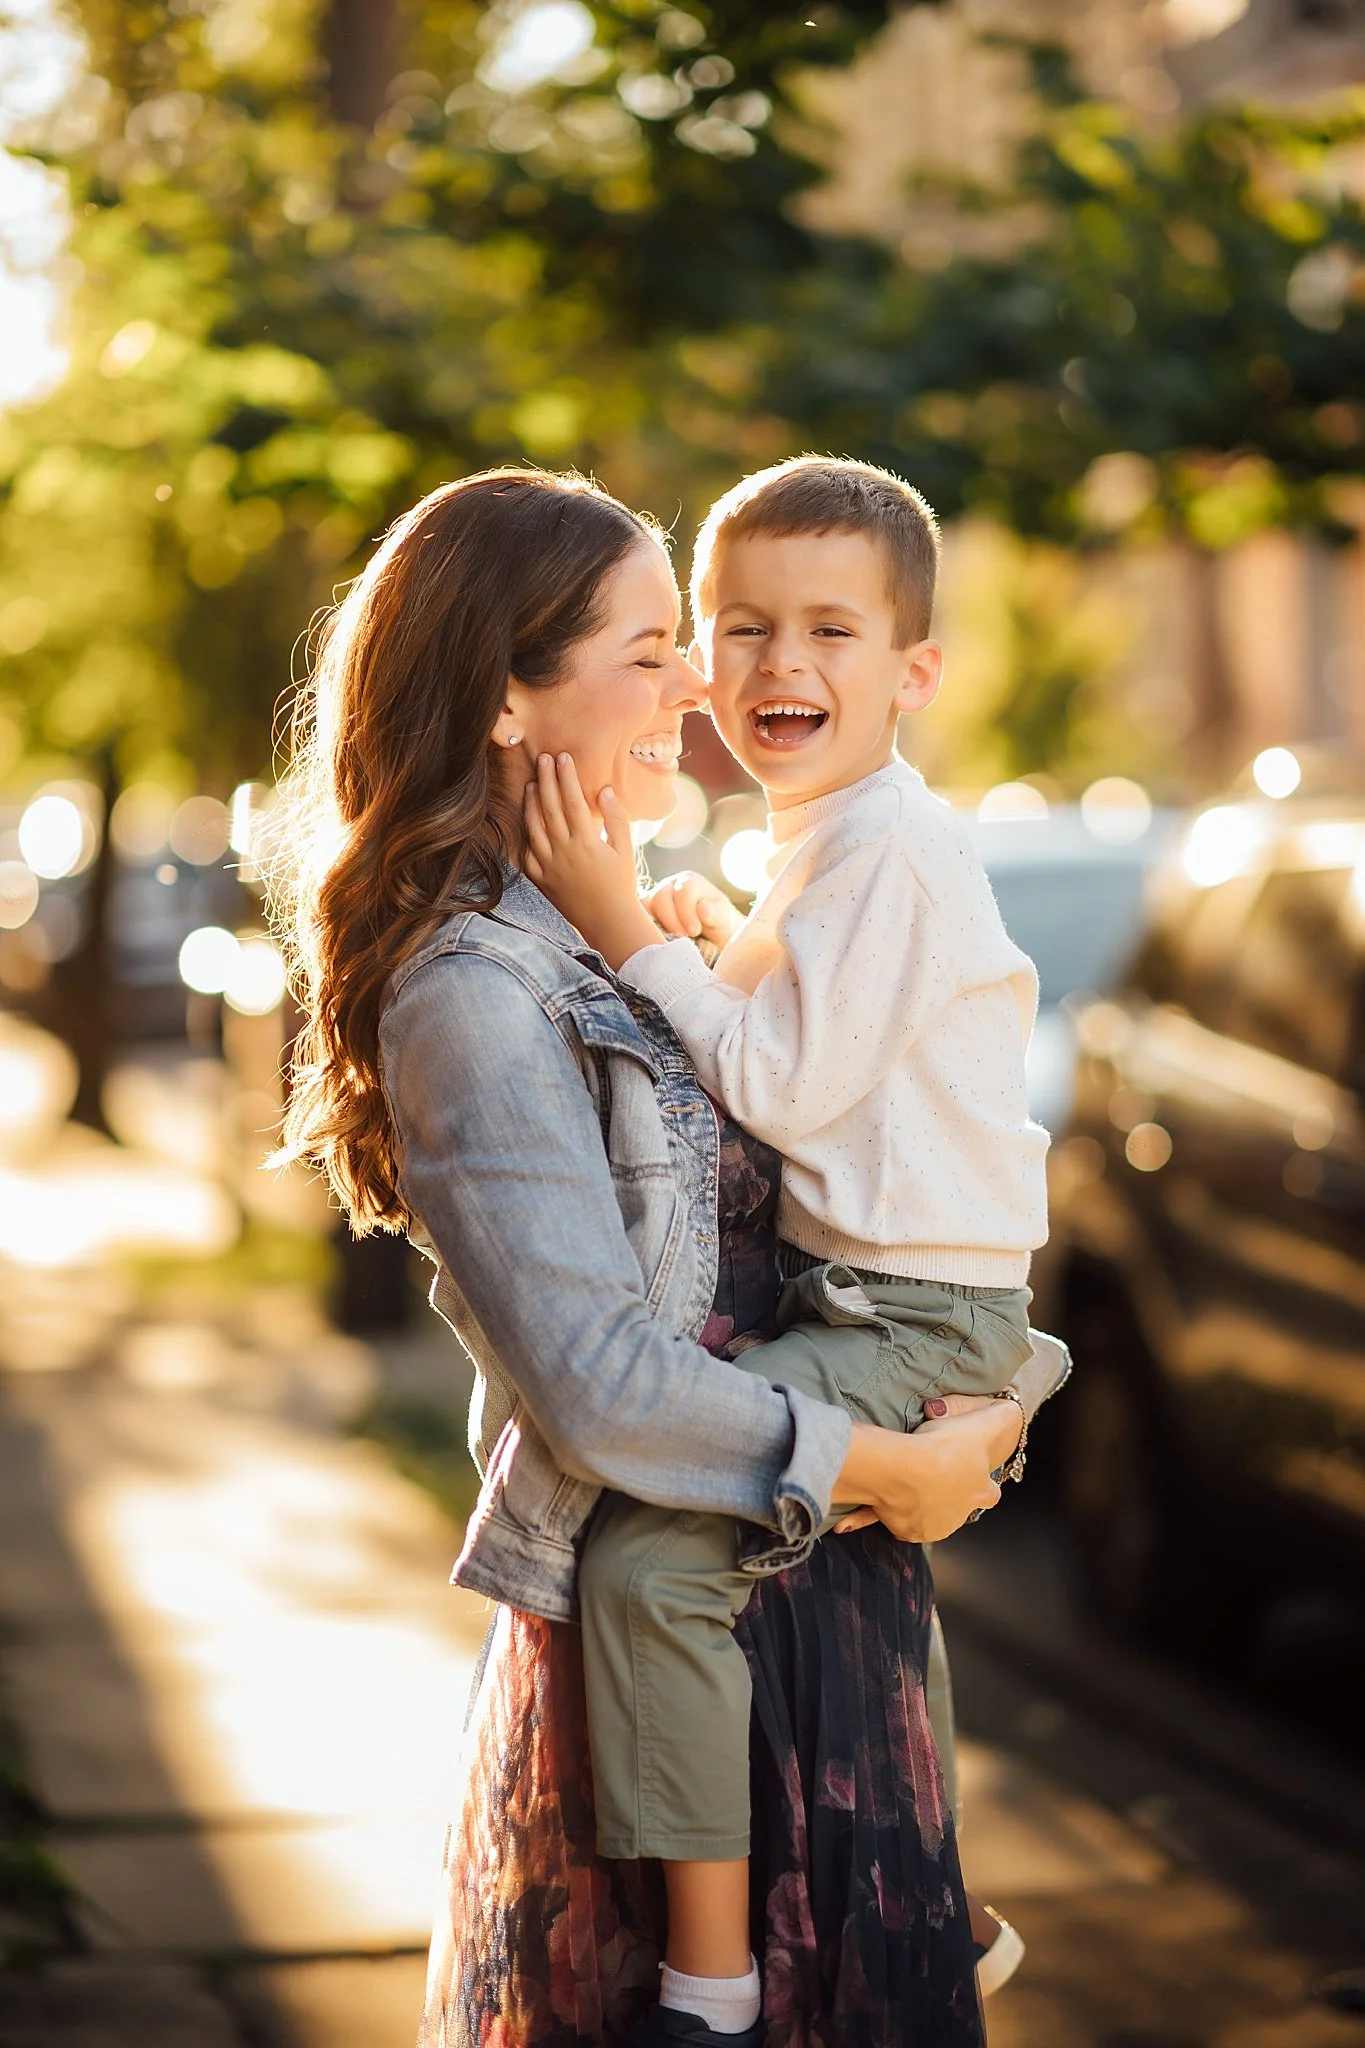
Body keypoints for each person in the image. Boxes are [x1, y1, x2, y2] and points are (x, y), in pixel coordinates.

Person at [270, 465, 1022, 2047]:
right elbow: (604, 1384)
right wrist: (886, 1466)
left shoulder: (625, 913)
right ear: (504, 697)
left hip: (810, 1594)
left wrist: (660, 930)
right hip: (695, 1599)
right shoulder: (475, 985)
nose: (706, 683)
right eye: (661, 643)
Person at [523, 456, 1053, 2042]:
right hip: (889, 1298)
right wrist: (700, 931)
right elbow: (788, 1028)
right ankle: (930, 1909)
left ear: (917, 673)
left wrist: (620, 924)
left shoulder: (889, 846)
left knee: (649, 1567)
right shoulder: (821, 841)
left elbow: (771, 1084)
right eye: (741, 627)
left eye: (833, 629)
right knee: (825, 1567)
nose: (782, 665)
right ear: (697, 654)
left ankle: (709, 1986)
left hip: (910, 1314)